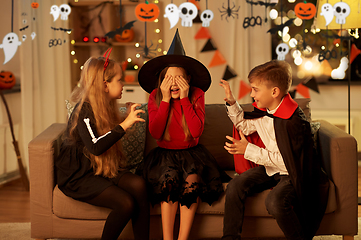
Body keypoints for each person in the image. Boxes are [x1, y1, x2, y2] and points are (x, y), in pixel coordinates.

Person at [219, 60, 329, 240]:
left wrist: (249, 150)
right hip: (272, 168)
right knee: (235, 186)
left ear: (274, 92)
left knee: (275, 202)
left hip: (294, 173)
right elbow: (244, 127)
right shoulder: (265, 111)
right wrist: (232, 102)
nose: (252, 94)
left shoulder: (294, 122)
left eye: (255, 89)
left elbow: (288, 161)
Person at [137, 29, 230, 240]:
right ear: (161, 81)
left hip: (192, 154)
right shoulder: (156, 95)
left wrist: (186, 99)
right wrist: (166, 100)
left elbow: (196, 130)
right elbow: (156, 132)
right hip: (164, 155)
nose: (174, 83)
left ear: (188, 79)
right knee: (169, 182)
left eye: (179, 78)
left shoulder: (197, 94)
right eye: (169, 78)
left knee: (192, 182)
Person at [55, 49, 150, 240]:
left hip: (99, 167)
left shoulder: (106, 105)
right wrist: (124, 124)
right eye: (120, 80)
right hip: (79, 175)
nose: (123, 84)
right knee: (125, 203)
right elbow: (95, 146)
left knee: (139, 185)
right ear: (105, 85)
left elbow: (105, 134)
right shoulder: (84, 109)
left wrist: (124, 116)